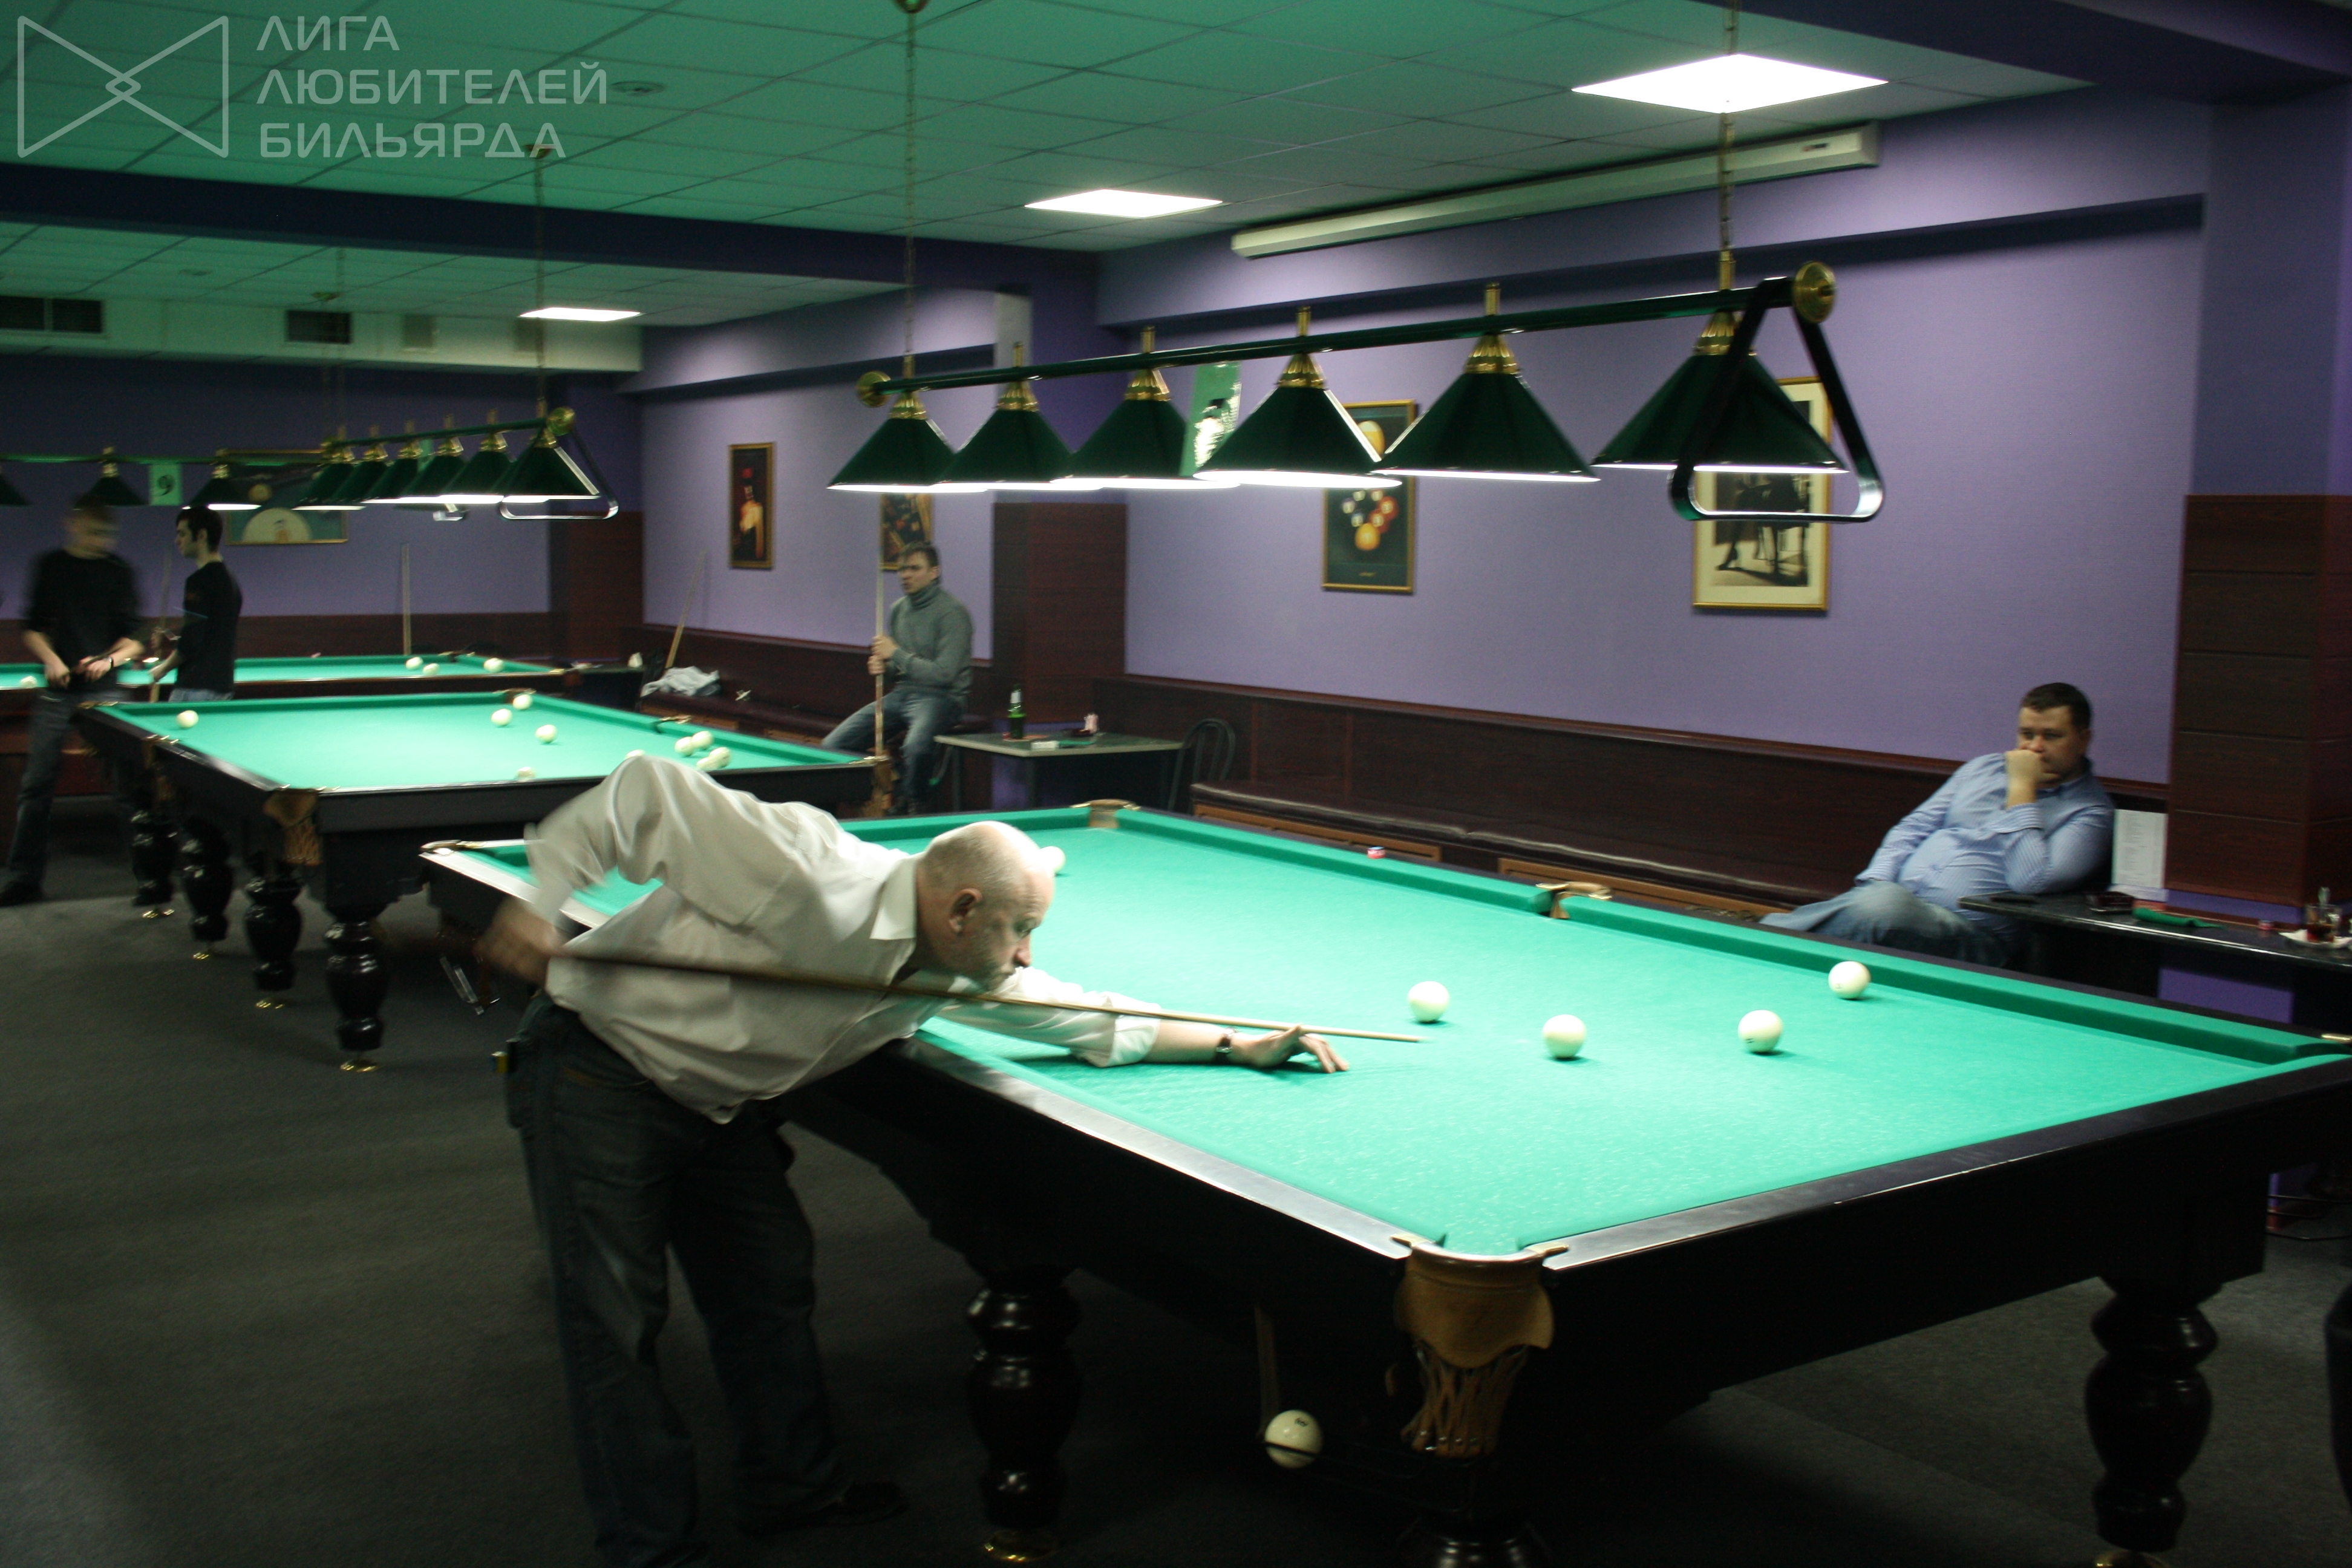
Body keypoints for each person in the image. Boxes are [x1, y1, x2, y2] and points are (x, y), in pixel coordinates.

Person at [477, 754, 1342, 1568]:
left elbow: (1086, 1018)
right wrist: (538, 903)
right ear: (961, 908)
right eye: (1020, 928)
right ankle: (651, 1548)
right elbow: (644, 792)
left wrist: (1232, 1043)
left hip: (717, 1104)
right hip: (598, 1071)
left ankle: (792, 1488)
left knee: (769, 1289)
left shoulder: (954, 965)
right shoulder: (805, 868)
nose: (1026, 953)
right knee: (615, 1323)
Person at [1760, 683, 2113, 965]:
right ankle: (1777, 948)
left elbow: (2030, 880)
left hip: (1973, 936)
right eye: (2026, 734)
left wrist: (2023, 789)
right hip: (1892, 902)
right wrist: (1878, 881)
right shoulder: (1982, 769)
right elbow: (1913, 827)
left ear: (2084, 739)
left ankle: (1764, 942)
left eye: (2051, 736)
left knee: (1882, 909)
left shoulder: (2090, 813)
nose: (2034, 748)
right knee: (1879, 903)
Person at [2, 503, 145, 906]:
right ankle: (24, 880)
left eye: (107, 535)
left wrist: (109, 661)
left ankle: (149, 877)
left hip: (106, 691)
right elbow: (33, 628)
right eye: (94, 532)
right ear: (74, 525)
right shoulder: (51, 566)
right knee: (36, 786)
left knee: (127, 785)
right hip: (58, 690)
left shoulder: (118, 571)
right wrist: (52, 660)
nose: (101, 541)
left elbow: (134, 640)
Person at [821, 543, 970, 811]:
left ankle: (914, 805)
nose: (905, 575)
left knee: (916, 747)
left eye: (914, 568)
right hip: (903, 694)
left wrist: (896, 654)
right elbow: (898, 669)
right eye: (902, 569)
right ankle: (897, 782)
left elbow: (945, 675)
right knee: (833, 745)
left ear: (934, 572)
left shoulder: (953, 613)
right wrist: (883, 667)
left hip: (942, 698)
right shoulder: (899, 609)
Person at [147, 506, 241, 703]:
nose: (177, 540)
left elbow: (191, 642)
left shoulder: (199, 581)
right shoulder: (230, 580)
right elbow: (210, 636)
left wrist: (162, 669)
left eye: (182, 534)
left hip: (196, 687)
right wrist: (171, 641)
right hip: (220, 685)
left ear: (201, 536)